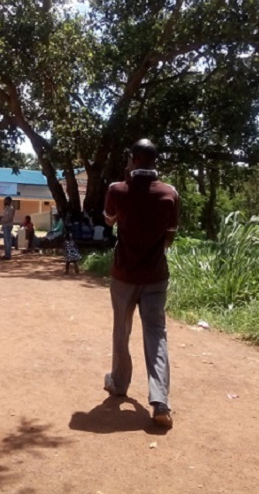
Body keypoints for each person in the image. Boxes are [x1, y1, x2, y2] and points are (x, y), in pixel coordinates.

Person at [102, 139, 179, 428]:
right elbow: (169, 237)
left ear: (132, 160)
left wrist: (125, 179)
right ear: (155, 162)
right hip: (156, 274)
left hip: (123, 274)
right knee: (156, 335)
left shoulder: (116, 190)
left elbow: (109, 221)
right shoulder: (169, 194)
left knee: (122, 330)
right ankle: (160, 401)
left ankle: (119, 384)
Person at [0, 196, 15, 260]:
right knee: (7, 241)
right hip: (6, 225)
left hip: (7, 226)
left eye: (5, 200)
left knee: (7, 241)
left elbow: (8, 218)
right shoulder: (7, 208)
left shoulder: (10, 208)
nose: (4, 202)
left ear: (9, 201)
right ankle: (7, 254)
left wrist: (1, 220)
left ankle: (8, 255)